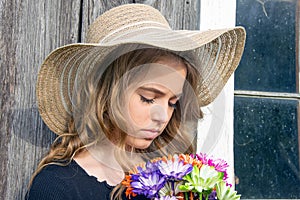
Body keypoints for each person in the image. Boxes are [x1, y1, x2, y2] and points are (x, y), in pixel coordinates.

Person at [25, 3, 246, 200]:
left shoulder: (176, 180)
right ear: (107, 92)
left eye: (172, 103)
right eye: (148, 98)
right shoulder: (57, 187)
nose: (162, 117)